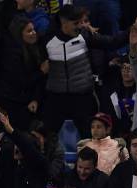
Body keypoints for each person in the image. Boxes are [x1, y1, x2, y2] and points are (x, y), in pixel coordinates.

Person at [42, 5, 132, 135]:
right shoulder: (47, 40)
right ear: (64, 22)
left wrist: (131, 31)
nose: (80, 26)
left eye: (81, 22)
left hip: (82, 97)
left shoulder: (85, 35)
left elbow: (112, 42)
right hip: (56, 98)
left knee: (89, 137)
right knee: (47, 136)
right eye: (76, 23)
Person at [0, 17, 47, 131]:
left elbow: (38, 82)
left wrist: (35, 99)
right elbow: (21, 81)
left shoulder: (35, 49)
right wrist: (41, 71)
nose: (34, 33)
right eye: (29, 31)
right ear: (18, 34)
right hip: (10, 103)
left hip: (26, 101)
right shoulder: (11, 55)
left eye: (33, 30)